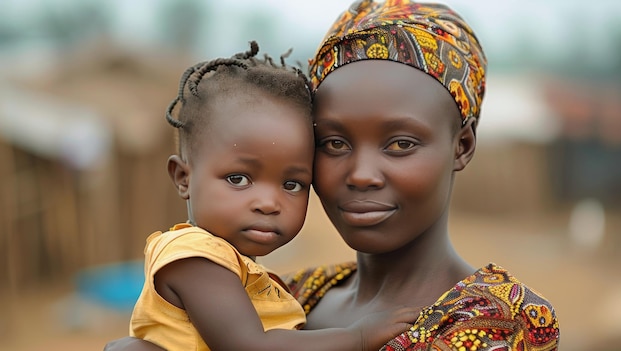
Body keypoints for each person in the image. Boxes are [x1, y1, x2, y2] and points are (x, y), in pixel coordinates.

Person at [106, 1, 560, 350]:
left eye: (400, 144)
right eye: (335, 144)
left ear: (462, 145)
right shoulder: (296, 293)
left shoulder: (498, 319)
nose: (361, 175)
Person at [124, 40, 418, 351]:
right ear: (184, 178)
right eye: (238, 179)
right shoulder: (195, 257)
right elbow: (252, 346)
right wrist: (356, 337)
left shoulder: (245, 271)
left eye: (292, 184)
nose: (268, 203)